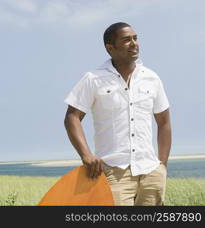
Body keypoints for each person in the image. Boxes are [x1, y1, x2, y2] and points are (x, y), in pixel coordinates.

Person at [63, 22, 172, 206]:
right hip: (114, 172)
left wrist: (162, 165)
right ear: (110, 48)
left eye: (135, 39)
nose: (134, 43)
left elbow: (164, 121)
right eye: (126, 40)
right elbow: (72, 117)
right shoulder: (93, 79)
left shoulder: (151, 78)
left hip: (151, 171)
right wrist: (86, 155)